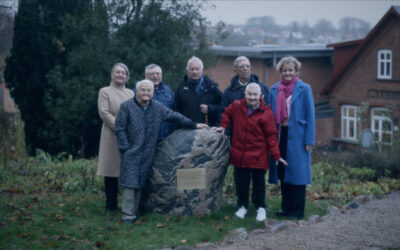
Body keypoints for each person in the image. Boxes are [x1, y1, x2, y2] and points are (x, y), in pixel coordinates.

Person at [115, 79, 208, 223]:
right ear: (136, 91)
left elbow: (174, 116)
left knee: (140, 180)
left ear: (153, 92)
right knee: (130, 181)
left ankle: (133, 212)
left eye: (149, 90)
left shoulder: (158, 107)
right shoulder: (126, 107)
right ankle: (127, 215)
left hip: (148, 151)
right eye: (143, 90)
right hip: (131, 151)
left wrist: (193, 124)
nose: (146, 93)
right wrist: (125, 148)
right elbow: (120, 128)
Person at [213, 83, 287, 222]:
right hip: (240, 155)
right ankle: (242, 206)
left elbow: (271, 136)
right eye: (250, 94)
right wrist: (223, 126)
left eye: (255, 95)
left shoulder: (266, 113)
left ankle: (261, 208)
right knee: (242, 183)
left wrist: (276, 155)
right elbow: (227, 113)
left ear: (260, 96)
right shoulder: (236, 106)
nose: (252, 97)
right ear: (245, 94)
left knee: (259, 184)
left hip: (258, 156)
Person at [268, 56, 315, 219]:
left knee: (298, 174)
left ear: (296, 72)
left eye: (291, 70)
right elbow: (269, 114)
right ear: (280, 71)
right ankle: (285, 208)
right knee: (283, 173)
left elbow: (310, 114)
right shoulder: (274, 89)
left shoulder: (305, 88)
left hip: (299, 137)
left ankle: (297, 210)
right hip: (280, 135)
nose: (287, 73)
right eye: (285, 70)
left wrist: (309, 140)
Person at [97, 63, 134, 211]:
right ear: (112, 74)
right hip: (111, 135)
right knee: (111, 170)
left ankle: (128, 204)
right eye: (117, 72)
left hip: (129, 136)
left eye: (123, 73)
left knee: (126, 170)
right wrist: (120, 128)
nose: (120, 75)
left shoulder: (131, 93)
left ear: (127, 76)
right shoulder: (104, 91)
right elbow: (104, 113)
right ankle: (111, 204)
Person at [174, 56, 222, 126]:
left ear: (202, 70)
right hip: (186, 129)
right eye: (192, 69)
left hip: (207, 130)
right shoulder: (181, 86)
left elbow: (222, 107)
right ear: (187, 70)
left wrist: (210, 109)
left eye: (197, 69)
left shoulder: (212, 86)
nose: (195, 72)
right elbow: (176, 110)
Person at [144, 64, 175, 141]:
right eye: (152, 74)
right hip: (146, 140)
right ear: (146, 76)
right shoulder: (138, 91)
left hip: (167, 138)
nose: (155, 76)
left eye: (158, 74)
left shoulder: (168, 91)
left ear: (161, 75)